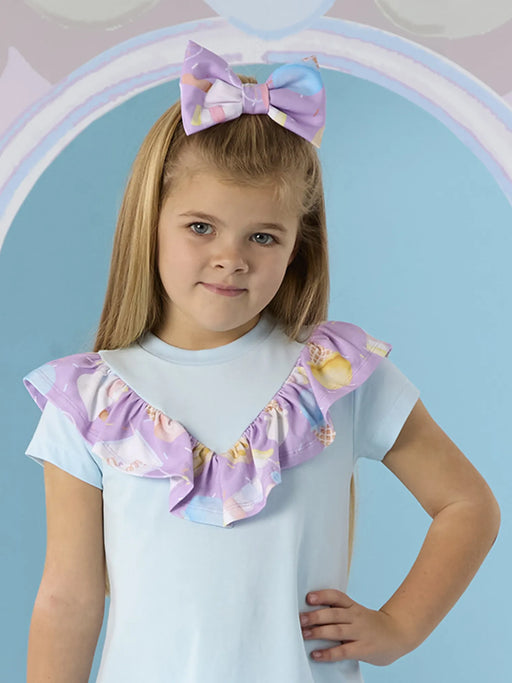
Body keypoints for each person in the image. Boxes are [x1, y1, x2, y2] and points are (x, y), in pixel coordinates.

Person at [22, 40, 500, 683]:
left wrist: (400, 627)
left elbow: (467, 505)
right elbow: (68, 599)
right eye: (200, 227)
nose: (231, 258)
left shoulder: (336, 378)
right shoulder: (90, 401)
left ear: (297, 247)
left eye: (263, 236)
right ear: (151, 222)